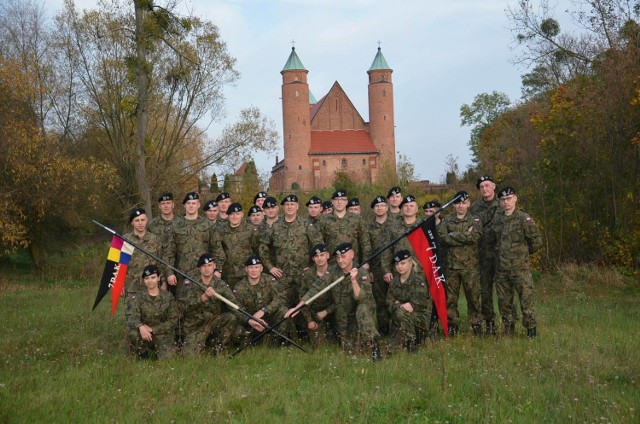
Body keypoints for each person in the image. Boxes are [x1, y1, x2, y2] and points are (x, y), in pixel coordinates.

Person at [286, 243, 381, 361]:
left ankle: (375, 347)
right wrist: (297, 308)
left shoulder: (361, 272)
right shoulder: (333, 271)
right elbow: (315, 289)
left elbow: (361, 298)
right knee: (350, 350)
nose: (340, 260)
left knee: (363, 309)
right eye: (338, 258)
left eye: (343, 257)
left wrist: (353, 280)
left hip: (362, 314)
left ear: (352, 254)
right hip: (344, 315)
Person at [259, 194, 322, 336]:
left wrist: (312, 266)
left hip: (302, 273)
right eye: (287, 204)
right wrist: (270, 267)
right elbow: (263, 247)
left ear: (297, 207)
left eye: (292, 204)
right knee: (282, 304)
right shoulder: (275, 226)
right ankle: (283, 335)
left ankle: (306, 333)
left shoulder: (306, 225)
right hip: (283, 275)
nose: (289, 207)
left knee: (304, 303)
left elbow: (318, 246)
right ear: (283, 207)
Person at [179, 253, 263, 356]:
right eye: (204, 266)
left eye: (209, 265)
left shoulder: (220, 284)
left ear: (214, 267)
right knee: (189, 356)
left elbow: (234, 305)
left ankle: (219, 347)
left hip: (214, 321)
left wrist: (249, 319)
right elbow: (183, 307)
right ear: (199, 268)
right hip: (196, 325)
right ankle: (203, 342)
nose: (207, 269)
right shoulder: (190, 283)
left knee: (231, 318)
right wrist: (202, 299)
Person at [492, 187, 543, 337]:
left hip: (520, 269)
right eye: (503, 199)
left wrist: (522, 254)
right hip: (502, 270)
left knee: (526, 301)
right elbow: (494, 241)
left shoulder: (523, 219)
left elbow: (537, 242)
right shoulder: (498, 220)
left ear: (515, 199)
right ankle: (509, 329)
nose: (506, 202)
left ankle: (531, 330)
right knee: (504, 302)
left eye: (509, 198)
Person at [437, 191, 483, 336]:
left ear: (468, 204)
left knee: (473, 297)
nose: (460, 206)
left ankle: (476, 325)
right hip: (451, 267)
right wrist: (465, 236)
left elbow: (475, 237)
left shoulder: (475, 220)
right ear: (454, 205)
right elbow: (443, 238)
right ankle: (452, 327)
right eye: (457, 203)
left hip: (470, 267)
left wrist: (453, 235)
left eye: (463, 203)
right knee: (450, 299)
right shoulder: (446, 221)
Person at [164, 192, 225, 296]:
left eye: (194, 203)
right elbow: (169, 252)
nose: (191, 206)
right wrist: (169, 273)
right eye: (188, 203)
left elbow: (217, 249)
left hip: (205, 275)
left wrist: (218, 270)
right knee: (183, 306)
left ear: (198, 205)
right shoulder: (175, 226)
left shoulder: (208, 225)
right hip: (183, 275)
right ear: (184, 205)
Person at [232, 256, 289, 345]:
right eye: (251, 267)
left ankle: (279, 342)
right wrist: (250, 319)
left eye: (256, 267)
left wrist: (264, 311)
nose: (254, 270)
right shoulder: (239, 287)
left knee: (283, 311)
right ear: (246, 269)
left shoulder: (270, 281)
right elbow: (237, 308)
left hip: (269, 319)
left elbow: (280, 298)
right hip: (250, 322)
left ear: (261, 268)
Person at [126, 265, 178, 359]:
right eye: (146, 278)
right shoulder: (139, 297)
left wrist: (153, 329)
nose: (150, 281)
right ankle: (142, 353)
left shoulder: (168, 297)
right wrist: (141, 327)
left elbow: (173, 321)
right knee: (133, 333)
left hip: (162, 334)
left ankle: (160, 351)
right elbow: (133, 316)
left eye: (153, 277)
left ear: (158, 278)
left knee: (168, 359)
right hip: (144, 334)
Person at [470, 175, 501, 335]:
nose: (485, 189)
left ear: (494, 186)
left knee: (505, 291)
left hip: (501, 256)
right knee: (485, 291)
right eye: (482, 187)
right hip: (482, 256)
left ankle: (509, 322)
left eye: (487, 185)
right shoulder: (475, 208)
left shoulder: (503, 204)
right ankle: (490, 323)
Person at [366, 195, 399, 335]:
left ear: (387, 207)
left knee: (396, 298)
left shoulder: (396, 223)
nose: (380, 208)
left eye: (382, 205)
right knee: (380, 301)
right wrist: (369, 270)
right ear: (373, 209)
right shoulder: (368, 227)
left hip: (396, 268)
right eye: (377, 206)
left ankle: (397, 328)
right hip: (377, 269)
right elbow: (367, 249)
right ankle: (384, 328)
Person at [386, 250, 431, 353]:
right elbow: (389, 303)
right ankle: (405, 338)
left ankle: (412, 342)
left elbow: (417, 304)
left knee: (401, 313)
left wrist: (398, 304)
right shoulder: (394, 282)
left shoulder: (418, 280)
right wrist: (402, 305)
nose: (399, 266)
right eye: (397, 264)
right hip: (399, 320)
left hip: (419, 318)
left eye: (403, 263)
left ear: (411, 263)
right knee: (391, 349)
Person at [316, 189, 371, 266]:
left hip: (353, 264)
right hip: (331, 265)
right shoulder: (323, 220)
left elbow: (365, 243)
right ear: (332, 201)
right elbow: (318, 243)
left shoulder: (357, 219)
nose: (339, 202)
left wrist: (366, 262)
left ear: (346, 202)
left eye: (342, 199)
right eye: (336, 199)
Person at [297, 244, 338, 344]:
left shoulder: (336, 272)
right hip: (315, 313)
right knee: (319, 344)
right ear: (313, 259)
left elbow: (341, 299)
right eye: (316, 256)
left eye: (322, 255)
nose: (320, 259)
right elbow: (303, 299)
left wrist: (327, 311)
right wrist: (309, 320)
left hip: (334, 311)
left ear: (327, 255)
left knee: (339, 340)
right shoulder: (307, 275)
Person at [123, 208, 165, 297]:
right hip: (132, 288)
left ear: (147, 220)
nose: (140, 223)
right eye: (137, 220)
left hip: (152, 288)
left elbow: (161, 263)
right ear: (132, 223)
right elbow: (119, 265)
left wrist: (163, 282)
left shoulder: (155, 239)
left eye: (142, 220)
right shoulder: (124, 240)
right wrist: (118, 284)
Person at [218, 202, 261, 289]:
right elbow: (217, 251)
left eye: (237, 214)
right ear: (228, 215)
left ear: (242, 214)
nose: (234, 217)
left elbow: (257, 250)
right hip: (228, 273)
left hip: (246, 273)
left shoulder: (251, 230)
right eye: (232, 214)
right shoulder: (220, 231)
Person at [147, 192, 183, 280]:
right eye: (163, 203)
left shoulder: (182, 223)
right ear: (159, 206)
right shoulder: (152, 225)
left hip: (178, 268)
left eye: (168, 203)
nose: (166, 206)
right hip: (157, 268)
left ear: (173, 205)